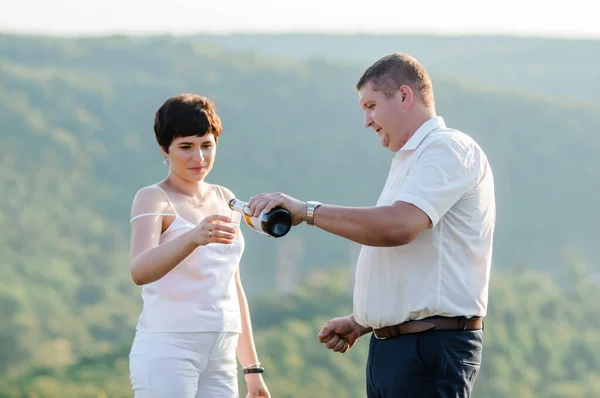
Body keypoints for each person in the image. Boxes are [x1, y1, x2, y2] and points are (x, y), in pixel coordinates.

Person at [246, 52, 496, 397]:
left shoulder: (448, 149)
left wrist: (307, 211)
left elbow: (397, 227)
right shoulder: (412, 159)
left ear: (405, 96)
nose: (366, 120)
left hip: (429, 350)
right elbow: (419, 261)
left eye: (371, 105)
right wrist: (364, 321)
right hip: (398, 349)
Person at [127, 93, 270, 398]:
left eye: (207, 145)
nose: (199, 158)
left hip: (221, 352)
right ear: (165, 150)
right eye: (186, 147)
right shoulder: (153, 197)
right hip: (168, 348)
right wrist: (192, 238)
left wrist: (252, 369)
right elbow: (139, 270)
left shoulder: (225, 197)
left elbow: (233, 286)